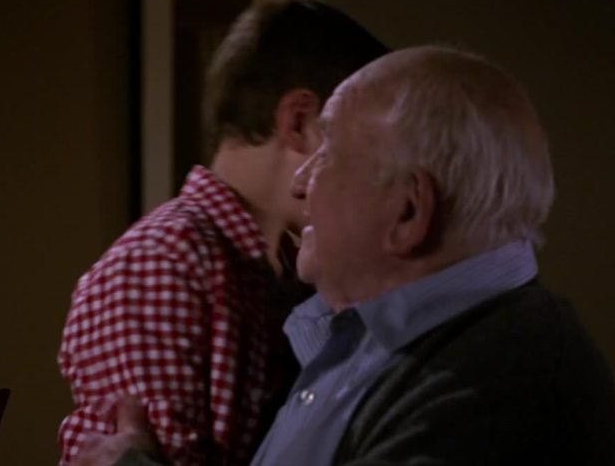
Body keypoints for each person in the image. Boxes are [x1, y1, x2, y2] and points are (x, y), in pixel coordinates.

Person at [72, 45, 615, 466]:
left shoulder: (499, 381)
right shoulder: (382, 343)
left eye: (329, 155)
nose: (302, 182)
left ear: (408, 212)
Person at [57, 0, 389, 466]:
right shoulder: (161, 263)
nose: (374, 172)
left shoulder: (290, 274)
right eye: (366, 145)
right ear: (300, 123)